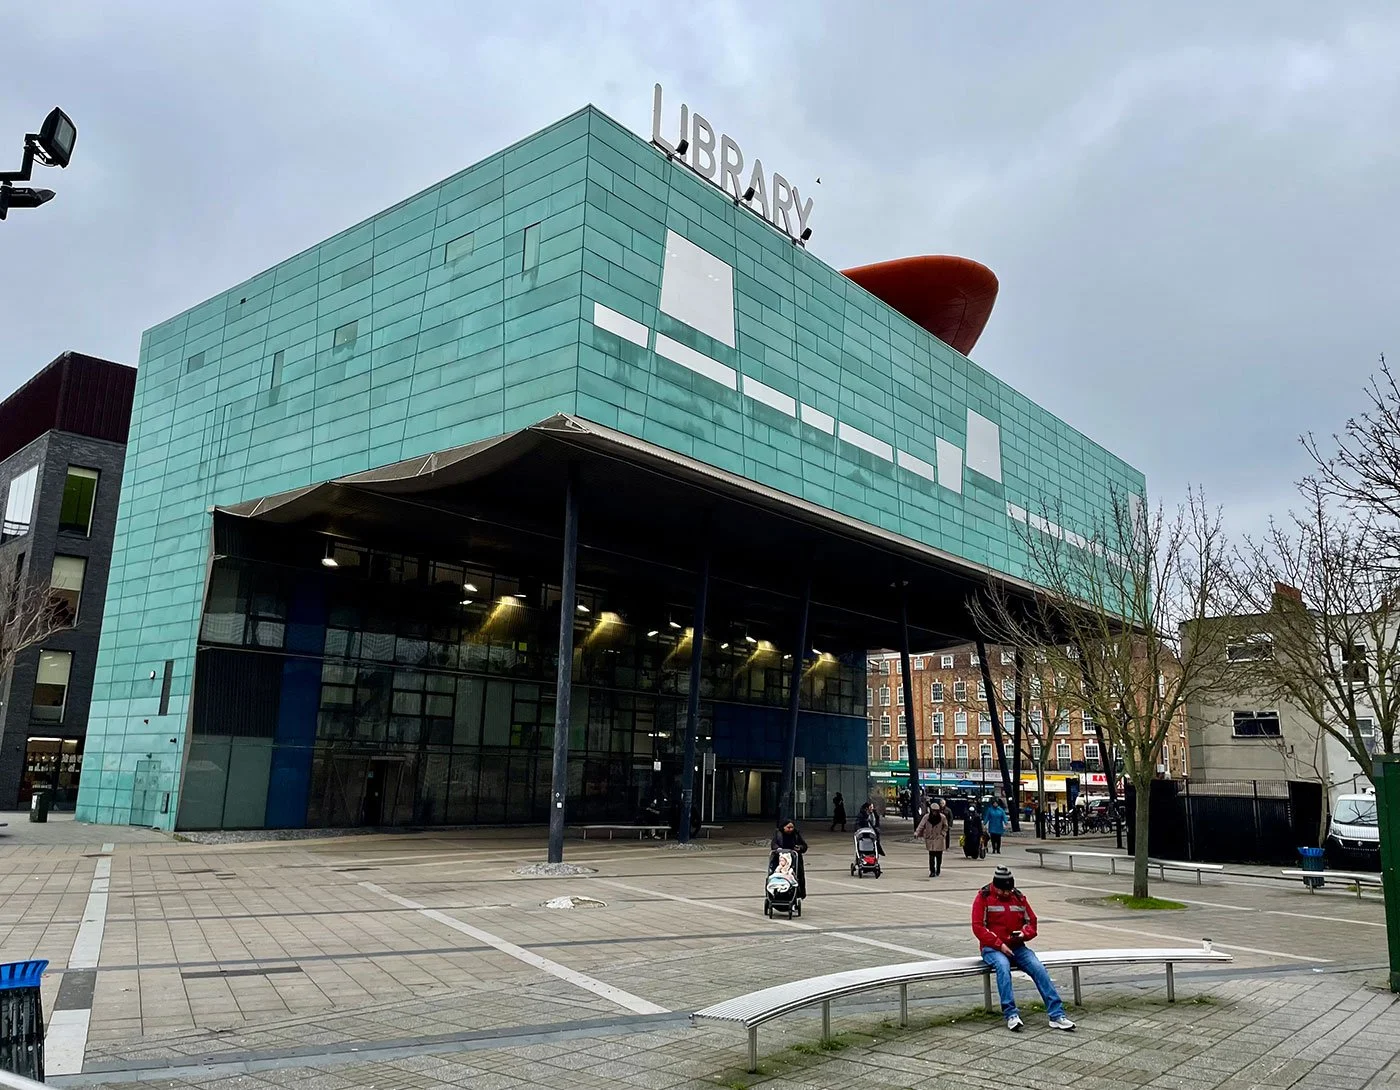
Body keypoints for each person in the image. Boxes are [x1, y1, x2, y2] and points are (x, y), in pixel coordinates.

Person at [972, 865, 1076, 1033]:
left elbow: (1031, 922)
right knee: (1003, 967)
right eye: (1003, 891)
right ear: (995, 886)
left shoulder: (1018, 897)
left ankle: (1057, 1015)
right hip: (992, 948)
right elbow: (978, 928)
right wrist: (999, 944)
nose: (1007, 894)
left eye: (1009, 890)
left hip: (1017, 946)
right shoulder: (983, 897)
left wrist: (1023, 934)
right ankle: (1011, 1014)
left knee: (1039, 969)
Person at [770, 819, 809, 898]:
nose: (790, 829)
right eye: (788, 827)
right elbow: (774, 844)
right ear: (783, 827)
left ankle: (797, 895)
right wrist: (778, 849)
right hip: (781, 859)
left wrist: (799, 848)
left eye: (792, 827)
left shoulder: (796, 834)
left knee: (796, 876)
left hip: (794, 859)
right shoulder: (778, 834)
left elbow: (804, 845)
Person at [915, 800, 951, 877]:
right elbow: (921, 825)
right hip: (930, 839)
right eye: (933, 811)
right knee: (931, 856)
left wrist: (942, 834)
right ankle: (932, 871)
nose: (934, 813)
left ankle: (938, 869)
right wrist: (917, 832)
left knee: (939, 856)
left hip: (939, 839)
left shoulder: (942, 817)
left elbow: (946, 826)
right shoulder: (926, 817)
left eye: (936, 811)